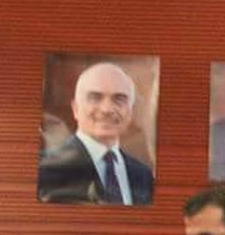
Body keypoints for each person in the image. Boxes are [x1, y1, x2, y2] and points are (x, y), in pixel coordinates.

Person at [37, 62, 155, 205]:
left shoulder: (144, 175)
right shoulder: (46, 168)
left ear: (130, 112)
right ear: (75, 109)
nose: (107, 109)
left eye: (119, 99)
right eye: (95, 98)